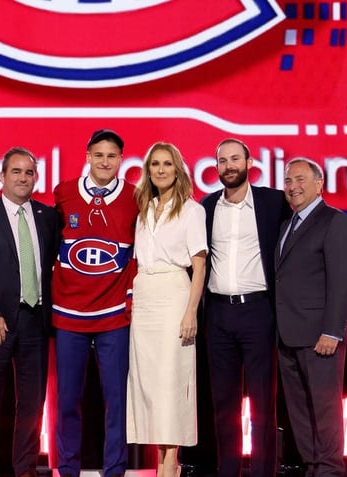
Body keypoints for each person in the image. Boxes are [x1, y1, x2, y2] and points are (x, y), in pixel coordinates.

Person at [0, 147, 60, 477]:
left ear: (36, 178)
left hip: (35, 322)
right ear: (2, 177)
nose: (22, 177)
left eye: (29, 172)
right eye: (16, 171)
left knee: (32, 406)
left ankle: (25, 470)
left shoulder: (48, 218)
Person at [200, 138, 290, 477]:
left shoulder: (273, 202)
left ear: (249, 162)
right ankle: (228, 470)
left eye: (235, 159)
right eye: (222, 160)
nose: (228, 166)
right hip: (218, 315)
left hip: (259, 312)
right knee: (224, 403)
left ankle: (265, 472)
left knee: (263, 404)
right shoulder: (205, 207)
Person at [51, 128, 138, 477]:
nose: (105, 161)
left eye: (112, 156)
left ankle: (114, 469)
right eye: (99, 155)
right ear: (87, 156)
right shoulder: (64, 194)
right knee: (67, 400)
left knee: (116, 402)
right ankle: (67, 469)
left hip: (114, 317)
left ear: (121, 160)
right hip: (68, 316)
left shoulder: (135, 197)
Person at [126, 142, 207, 477]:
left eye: (167, 164)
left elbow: (199, 266)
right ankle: (158, 457)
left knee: (172, 379)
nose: (161, 170)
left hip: (175, 292)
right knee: (146, 381)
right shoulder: (143, 209)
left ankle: (169, 461)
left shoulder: (192, 210)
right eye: (155, 164)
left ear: (178, 169)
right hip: (145, 295)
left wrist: (191, 312)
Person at [274, 158, 347, 477]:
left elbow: (341, 280)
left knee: (325, 409)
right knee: (299, 410)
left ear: (319, 184)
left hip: (320, 335)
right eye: (288, 181)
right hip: (288, 334)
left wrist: (332, 331)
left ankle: (331, 470)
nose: (293, 186)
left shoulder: (333, 220)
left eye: (300, 179)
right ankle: (313, 467)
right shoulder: (286, 225)